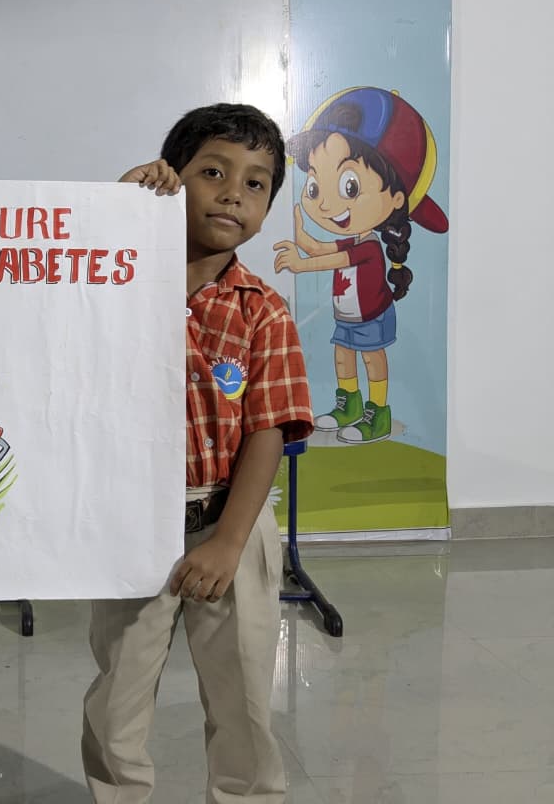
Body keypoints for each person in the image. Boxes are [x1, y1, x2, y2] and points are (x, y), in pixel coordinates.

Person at [83, 104, 314, 803]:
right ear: (172, 178)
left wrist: (229, 543)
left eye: (255, 184)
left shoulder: (262, 311)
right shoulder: (115, 284)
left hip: (231, 522)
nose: (232, 194)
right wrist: (117, 217)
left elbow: (268, 431)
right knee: (117, 702)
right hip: (133, 524)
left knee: (244, 704)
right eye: (212, 173)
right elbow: (61, 311)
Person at [273, 86, 448, 444]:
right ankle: (348, 404)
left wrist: (300, 265)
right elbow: (319, 247)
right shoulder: (352, 239)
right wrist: (299, 233)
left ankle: (378, 412)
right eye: (314, 185)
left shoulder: (368, 246)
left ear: (396, 199)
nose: (324, 204)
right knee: (343, 355)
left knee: (371, 358)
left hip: (371, 315)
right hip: (347, 314)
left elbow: (333, 259)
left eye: (349, 186)